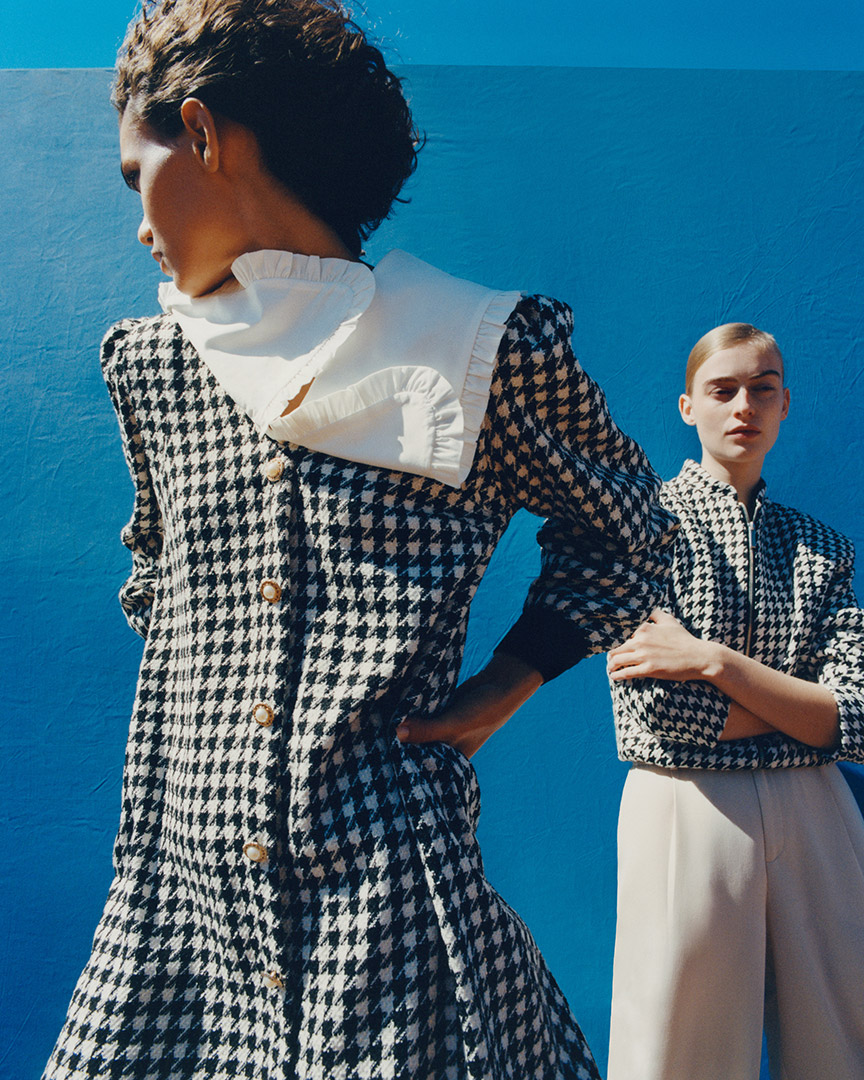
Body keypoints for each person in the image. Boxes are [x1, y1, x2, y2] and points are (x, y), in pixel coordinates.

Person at [42, 2, 676, 1077]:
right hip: (178, 909)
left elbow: (629, 529)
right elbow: (158, 567)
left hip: (385, 909)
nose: (139, 226)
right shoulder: (152, 365)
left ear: (203, 133)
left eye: (133, 176)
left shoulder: (475, 350)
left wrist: (510, 681)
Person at [605, 322, 864, 1080]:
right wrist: (803, 713)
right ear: (689, 406)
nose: (743, 406)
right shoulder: (641, 528)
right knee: (677, 1045)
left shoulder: (823, 547)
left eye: (762, 388)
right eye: (723, 390)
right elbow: (664, 715)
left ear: (785, 405)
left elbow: (854, 714)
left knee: (843, 1039)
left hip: (817, 808)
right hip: (686, 801)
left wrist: (714, 662)